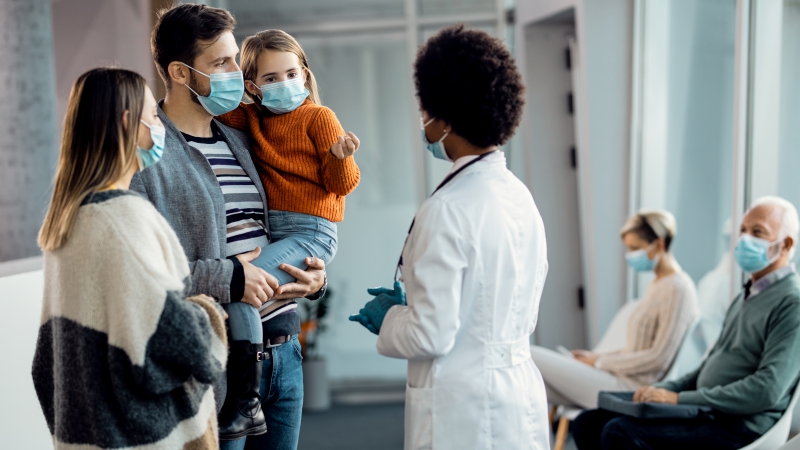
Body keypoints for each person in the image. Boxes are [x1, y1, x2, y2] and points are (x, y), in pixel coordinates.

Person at [131, 4, 327, 448]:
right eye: (221, 63)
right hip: (213, 363)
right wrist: (232, 277)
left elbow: (282, 229)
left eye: (235, 59)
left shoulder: (244, 140)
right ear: (181, 74)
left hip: (285, 352)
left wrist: (313, 278)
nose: (237, 72)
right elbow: (143, 272)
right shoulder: (147, 156)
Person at [349, 25, 550, 449]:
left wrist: (388, 316)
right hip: (518, 394)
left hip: (464, 411)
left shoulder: (448, 209)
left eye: (425, 110)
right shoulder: (519, 196)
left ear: (446, 118)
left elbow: (430, 335)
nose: (423, 121)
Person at [32, 67, 228, 449]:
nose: (160, 128)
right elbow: (173, 338)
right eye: (154, 118)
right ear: (128, 123)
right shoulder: (124, 220)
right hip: (145, 438)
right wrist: (208, 314)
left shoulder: (69, 220)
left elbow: (45, 364)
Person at [213, 31, 360, 438]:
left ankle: (243, 397)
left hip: (313, 231)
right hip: (279, 231)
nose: (284, 83)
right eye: (271, 78)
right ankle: (249, 389)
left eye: (292, 73)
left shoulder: (319, 117)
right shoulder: (253, 119)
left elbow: (342, 185)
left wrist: (340, 157)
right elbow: (215, 110)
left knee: (239, 283)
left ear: (305, 74)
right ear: (253, 87)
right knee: (242, 285)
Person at [572, 196, 800, 449]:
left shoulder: (792, 302)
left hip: (739, 425)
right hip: (705, 411)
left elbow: (767, 389)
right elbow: (707, 367)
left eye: (758, 232)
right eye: (743, 230)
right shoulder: (746, 295)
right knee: (588, 422)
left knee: (620, 433)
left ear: (786, 244)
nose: (745, 239)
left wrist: (679, 399)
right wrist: (660, 390)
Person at [531, 210, 700, 409]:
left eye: (635, 248)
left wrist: (598, 362)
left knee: (529, 355)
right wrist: (596, 358)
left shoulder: (678, 288)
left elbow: (658, 359)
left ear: (660, 244)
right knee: (535, 383)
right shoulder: (657, 284)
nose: (630, 255)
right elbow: (635, 350)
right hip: (615, 376)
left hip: (631, 387)